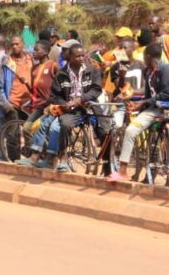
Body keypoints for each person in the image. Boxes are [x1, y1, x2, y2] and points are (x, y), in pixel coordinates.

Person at [110, 44, 169, 182]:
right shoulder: (148, 72)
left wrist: (144, 102)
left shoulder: (165, 69)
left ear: (147, 56)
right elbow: (148, 96)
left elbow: (167, 93)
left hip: (165, 108)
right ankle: (123, 171)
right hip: (154, 109)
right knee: (130, 131)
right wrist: (138, 106)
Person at [51, 43, 103, 170]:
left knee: (106, 128)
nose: (80, 58)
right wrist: (65, 104)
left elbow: (96, 90)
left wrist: (81, 99)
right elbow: (54, 96)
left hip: (90, 106)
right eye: (77, 56)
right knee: (65, 124)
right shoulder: (61, 73)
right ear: (70, 57)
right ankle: (63, 155)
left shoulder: (92, 70)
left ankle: (107, 162)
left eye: (82, 55)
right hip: (71, 110)